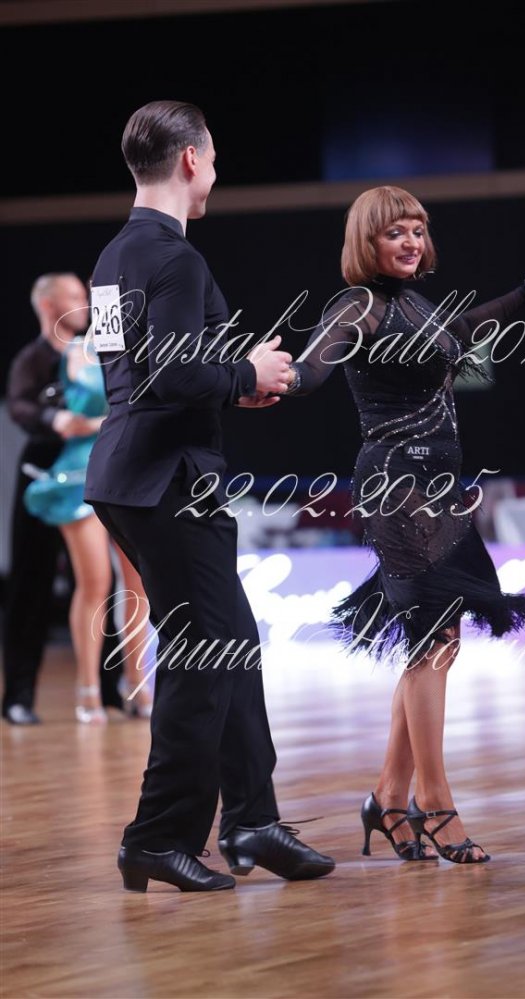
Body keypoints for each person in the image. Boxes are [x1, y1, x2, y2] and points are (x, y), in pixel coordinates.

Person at [282, 185, 525, 864]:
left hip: (441, 491)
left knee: (439, 644)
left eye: (418, 229)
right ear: (367, 241)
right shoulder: (358, 306)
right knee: (433, 643)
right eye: (395, 232)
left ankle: (388, 796)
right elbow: (311, 372)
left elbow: (468, 327)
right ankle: (435, 800)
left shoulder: (418, 306)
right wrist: (264, 374)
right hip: (397, 488)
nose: (411, 241)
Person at [83, 100, 335, 892]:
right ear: (191, 159)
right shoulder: (175, 258)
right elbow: (166, 373)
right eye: (214, 159)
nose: (215, 174)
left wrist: (232, 384)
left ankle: (253, 819)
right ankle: (157, 836)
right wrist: (243, 373)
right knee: (205, 659)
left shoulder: (112, 257)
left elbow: (132, 374)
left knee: (234, 644)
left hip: (128, 473)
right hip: (170, 479)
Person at [23, 332, 154, 723]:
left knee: (138, 584)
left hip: (129, 470)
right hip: (82, 473)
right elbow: (78, 418)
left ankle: (136, 681)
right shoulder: (80, 348)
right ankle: (88, 686)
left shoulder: (147, 344)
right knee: (95, 581)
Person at [3, 274, 107, 724]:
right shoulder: (33, 359)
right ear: (48, 305)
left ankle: (109, 688)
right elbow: (19, 406)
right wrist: (55, 418)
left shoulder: (94, 351)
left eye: (85, 296)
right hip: (45, 477)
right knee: (31, 580)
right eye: (74, 297)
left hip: (94, 473)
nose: (84, 303)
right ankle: (19, 696)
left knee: (101, 582)